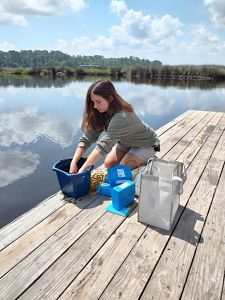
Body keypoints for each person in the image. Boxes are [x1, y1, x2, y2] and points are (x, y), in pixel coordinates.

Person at [69, 79, 160, 174]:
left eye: (98, 101)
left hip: (146, 144)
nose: (95, 106)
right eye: (93, 102)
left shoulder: (122, 117)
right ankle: (134, 158)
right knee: (109, 164)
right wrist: (74, 162)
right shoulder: (102, 111)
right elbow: (87, 138)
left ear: (110, 98)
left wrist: (81, 171)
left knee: (120, 171)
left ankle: (147, 162)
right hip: (126, 142)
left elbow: (104, 145)